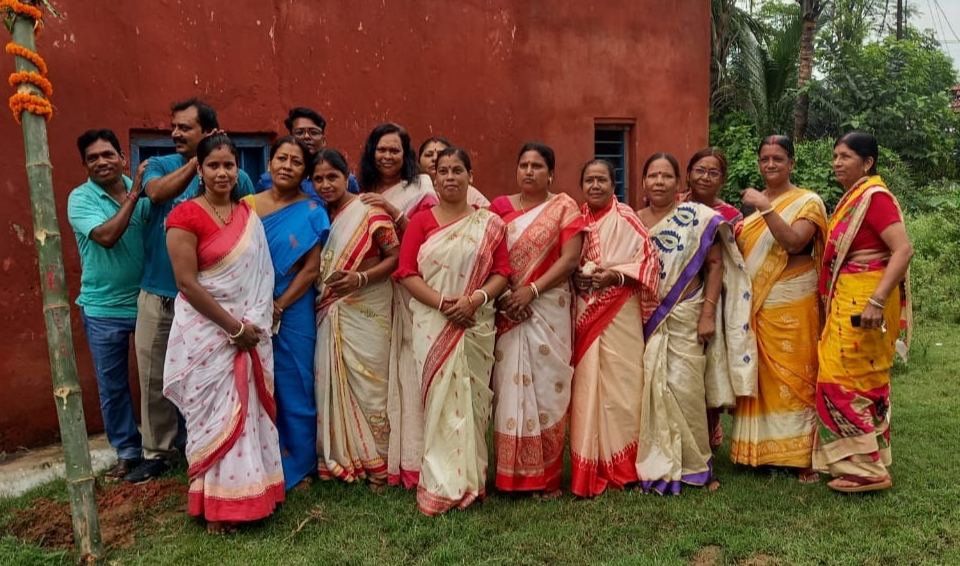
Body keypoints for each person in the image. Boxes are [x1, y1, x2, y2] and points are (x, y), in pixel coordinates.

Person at [164, 134, 283, 534]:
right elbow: (186, 282)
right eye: (213, 165)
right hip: (206, 333)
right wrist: (233, 328)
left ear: (238, 169)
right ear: (199, 170)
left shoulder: (248, 216)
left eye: (228, 165)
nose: (222, 173)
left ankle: (252, 494)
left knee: (247, 414)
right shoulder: (184, 216)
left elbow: (262, 276)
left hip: (249, 329)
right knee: (213, 417)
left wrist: (251, 325)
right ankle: (217, 505)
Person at [132, 99, 256, 483]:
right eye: (174, 126)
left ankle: (206, 443)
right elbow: (156, 193)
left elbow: (248, 230)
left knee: (209, 376)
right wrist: (198, 161)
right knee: (154, 377)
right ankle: (156, 452)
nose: (175, 133)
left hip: (214, 303)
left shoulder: (237, 177)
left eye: (185, 127)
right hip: (161, 295)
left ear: (208, 130)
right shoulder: (160, 165)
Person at [394, 147, 511, 515]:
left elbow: (502, 272)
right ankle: (440, 484)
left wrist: (474, 301)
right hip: (434, 322)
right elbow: (406, 273)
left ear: (470, 177)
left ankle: (472, 482)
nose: (449, 177)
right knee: (438, 402)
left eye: (457, 170)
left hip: (475, 322)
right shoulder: (421, 222)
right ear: (434, 178)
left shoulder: (489, 223)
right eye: (442, 171)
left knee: (473, 403)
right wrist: (445, 304)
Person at [635, 152, 757, 495]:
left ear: (678, 182)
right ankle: (656, 463)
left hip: (687, 313)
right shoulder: (633, 220)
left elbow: (715, 266)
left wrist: (706, 314)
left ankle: (696, 466)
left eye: (666, 176)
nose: (659, 182)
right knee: (652, 390)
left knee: (688, 390)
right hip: (646, 316)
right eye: (653, 176)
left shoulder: (698, 218)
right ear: (643, 182)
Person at [814, 132, 913, 493]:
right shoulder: (855, 198)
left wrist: (876, 301)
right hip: (851, 297)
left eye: (845, 156)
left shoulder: (875, 198)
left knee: (840, 379)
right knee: (862, 378)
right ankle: (872, 459)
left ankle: (865, 470)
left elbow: (903, 250)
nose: (837, 162)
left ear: (867, 162)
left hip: (866, 301)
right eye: (835, 156)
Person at [487, 142, 584, 497]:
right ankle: (510, 476)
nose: (529, 171)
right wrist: (507, 296)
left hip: (548, 307)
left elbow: (570, 260)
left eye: (538, 166)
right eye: (524, 164)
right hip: (507, 307)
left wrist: (531, 290)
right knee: (508, 389)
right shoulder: (499, 208)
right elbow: (488, 257)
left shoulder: (565, 207)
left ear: (551, 173)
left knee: (548, 391)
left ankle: (546, 477)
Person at [730, 135, 827, 482]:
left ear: (792, 164)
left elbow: (794, 242)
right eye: (765, 159)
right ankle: (764, 452)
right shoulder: (751, 206)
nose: (770, 164)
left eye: (778, 159)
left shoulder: (808, 201)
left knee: (798, 374)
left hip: (795, 297)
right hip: (757, 302)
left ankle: (802, 457)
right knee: (763, 377)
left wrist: (764, 206)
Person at [242, 136, 330, 490]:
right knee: (257, 382)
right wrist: (260, 305)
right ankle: (263, 461)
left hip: (293, 308)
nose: (287, 166)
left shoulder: (312, 211)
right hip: (251, 303)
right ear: (269, 163)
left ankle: (301, 465)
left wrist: (279, 306)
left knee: (296, 385)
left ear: (304, 172)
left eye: (296, 162)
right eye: (281, 158)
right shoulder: (246, 206)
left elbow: (311, 269)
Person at [569, 159, 659, 498]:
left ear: (613, 184)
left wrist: (614, 275)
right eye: (589, 180)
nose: (595, 186)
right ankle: (590, 465)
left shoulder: (628, 219)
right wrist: (576, 277)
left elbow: (649, 264)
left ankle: (625, 465)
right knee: (588, 387)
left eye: (601, 180)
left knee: (624, 386)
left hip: (620, 312)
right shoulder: (576, 220)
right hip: (586, 313)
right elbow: (565, 262)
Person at [357, 123, 438, 488]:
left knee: (409, 368)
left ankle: (414, 457)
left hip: (409, 289)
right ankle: (377, 452)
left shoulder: (420, 188)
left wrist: (392, 210)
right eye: (381, 149)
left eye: (394, 150)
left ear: (406, 155)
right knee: (378, 370)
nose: (387, 156)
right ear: (371, 152)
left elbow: (433, 235)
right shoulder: (365, 190)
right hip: (373, 292)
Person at [312, 149, 400, 486]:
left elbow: (395, 256)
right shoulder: (319, 215)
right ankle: (349, 455)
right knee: (337, 380)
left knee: (373, 381)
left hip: (369, 305)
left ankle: (382, 458)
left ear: (345, 174)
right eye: (318, 179)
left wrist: (360, 279)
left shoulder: (369, 211)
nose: (325, 185)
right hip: (333, 307)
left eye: (332, 177)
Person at [67, 129, 150, 481]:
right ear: (84, 164)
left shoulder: (147, 192)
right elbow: (106, 236)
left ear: (122, 157)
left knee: (162, 379)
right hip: (102, 308)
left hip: (147, 303)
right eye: (92, 158)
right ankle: (128, 451)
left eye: (107, 154)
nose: (101, 162)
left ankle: (168, 445)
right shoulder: (80, 198)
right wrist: (134, 195)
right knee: (113, 387)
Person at [684, 147, 743, 451]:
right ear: (688, 174)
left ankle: (710, 427)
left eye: (713, 172)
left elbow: (735, 260)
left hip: (716, 297)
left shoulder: (731, 217)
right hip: (677, 295)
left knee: (711, 363)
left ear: (723, 179)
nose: (705, 177)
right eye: (700, 170)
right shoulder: (674, 207)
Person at [255, 107, 360, 197]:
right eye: (299, 132)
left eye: (313, 133)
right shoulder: (268, 181)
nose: (306, 137)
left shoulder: (345, 180)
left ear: (323, 141)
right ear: (291, 138)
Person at [419, 136, 490, 208]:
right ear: (418, 161)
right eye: (428, 155)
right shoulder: (415, 192)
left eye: (441, 154)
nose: (435, 158)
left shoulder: (469, 193)